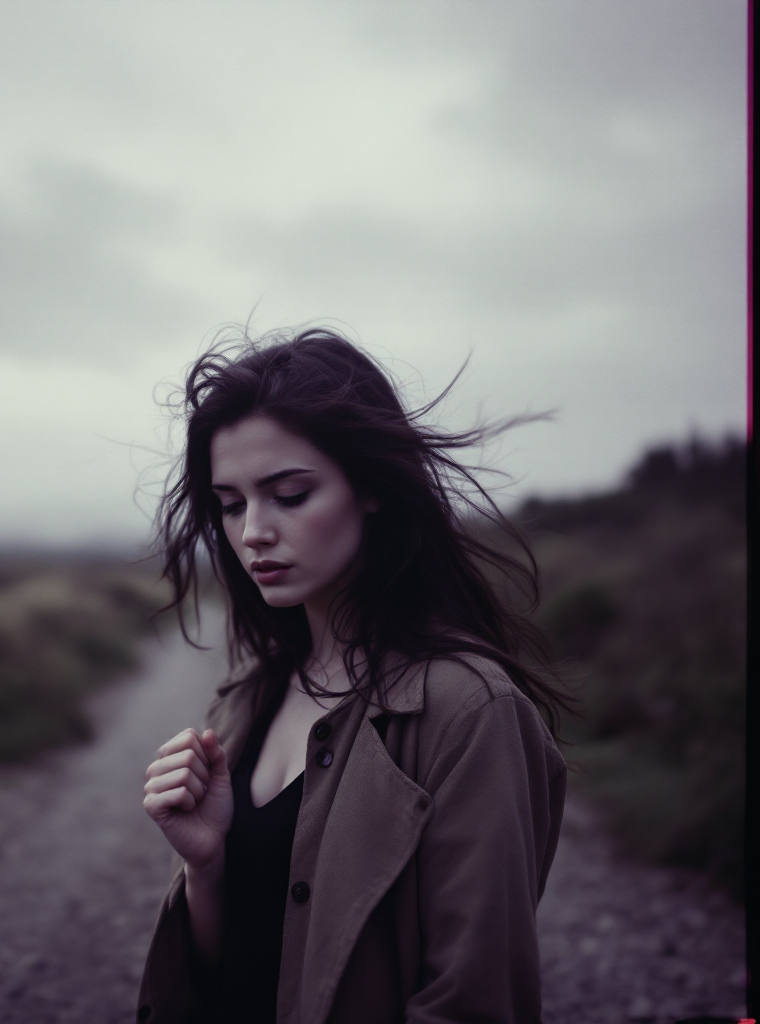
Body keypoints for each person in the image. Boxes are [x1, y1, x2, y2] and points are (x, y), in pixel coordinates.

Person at [136, 328, 571, 1024]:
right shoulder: (248, 696)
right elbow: (224, 976)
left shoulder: (469, 711)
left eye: (290, 493)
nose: (252, 532)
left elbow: (475, 1002)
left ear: (370, 487)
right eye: (232, 503)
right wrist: (207, 867)